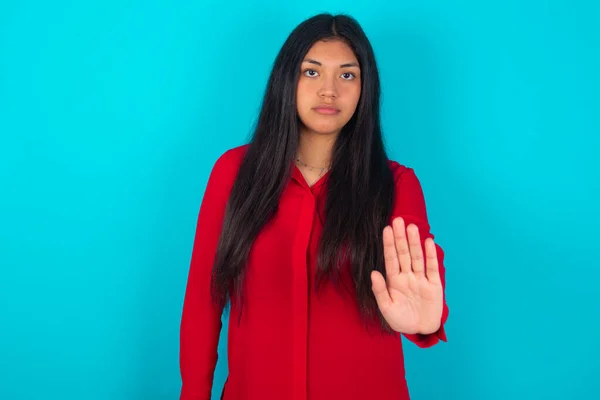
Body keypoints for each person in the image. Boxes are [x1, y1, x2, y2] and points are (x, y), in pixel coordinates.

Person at [179, 13, 449, 400]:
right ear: (286, 80)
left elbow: (421, 276)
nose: (328, 90)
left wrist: (426, 321)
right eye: (311, 72)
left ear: (365, 89)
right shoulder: (233, 173)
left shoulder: (397, 185)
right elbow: (203, 304)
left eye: (347, 75)